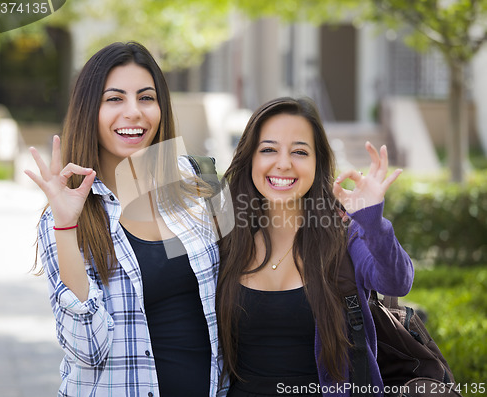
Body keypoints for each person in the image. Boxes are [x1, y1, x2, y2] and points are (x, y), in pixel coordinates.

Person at [26, 41, 225, 397]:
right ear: (89, 110)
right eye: (114, 99)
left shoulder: (198, 182)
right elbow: (87, 349)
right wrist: (66, 226)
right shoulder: (65, 217)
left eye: (146, 98)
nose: (134, 112)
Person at [216, 97, 414, 397]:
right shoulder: (224, 239)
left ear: (317, 162)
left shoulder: (344, 236)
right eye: (268, 149)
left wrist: (372, 222)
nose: (283, 163)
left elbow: (396, 281)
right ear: (250, 158)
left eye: (299, 151)